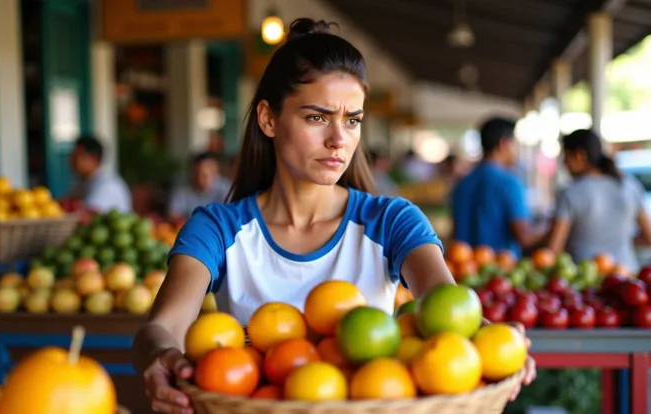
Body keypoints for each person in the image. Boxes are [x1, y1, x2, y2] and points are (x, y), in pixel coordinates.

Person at [131, 18, 535, 413]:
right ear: (268, 119)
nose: (339, 140)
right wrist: (160, 355)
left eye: (352, 120)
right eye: (317, 117)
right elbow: (161, 327)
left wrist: (493, 341)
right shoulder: (217, 228)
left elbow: (449, 312)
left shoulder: (392, 221)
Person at [546, 129, 651, 272]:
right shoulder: (630, 186)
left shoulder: (570, 192)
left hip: (585, 281)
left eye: (566, 156)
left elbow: (553, 249)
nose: (564, 163)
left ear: (579, 155)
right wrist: (620, 241)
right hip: (628, 277)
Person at [450, 117, 545, 257]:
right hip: (501, 269)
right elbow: (524, 237)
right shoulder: (510, 183)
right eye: (515, 143)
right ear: (503, 143)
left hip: (464, 267)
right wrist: (553, 227)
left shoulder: (463, 182)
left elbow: (455, 230)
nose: (516, 150)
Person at [68, 135, 132, 214]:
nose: (72, 160)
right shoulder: (81, 183)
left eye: (76, 156)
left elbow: (87, 213)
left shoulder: (107, 184)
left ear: (93, 159)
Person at [167, 152, 231, 220]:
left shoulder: (226, 188)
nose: (202, 179)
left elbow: (229, 215)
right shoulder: (182, 187)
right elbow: (173, 214)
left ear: (216, 172)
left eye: (208, 174)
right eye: (199, 173)